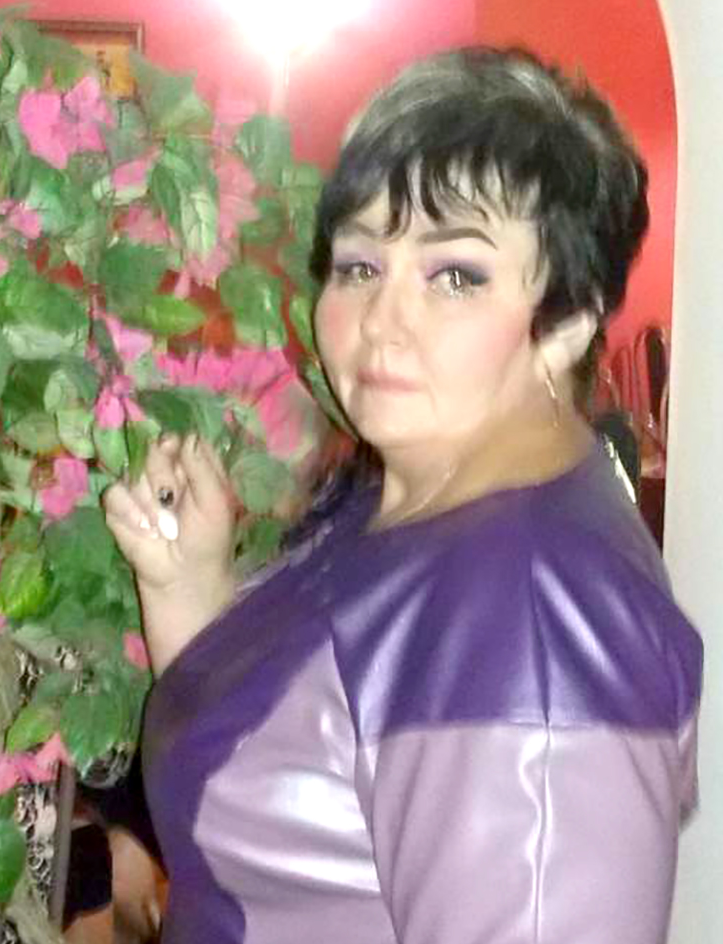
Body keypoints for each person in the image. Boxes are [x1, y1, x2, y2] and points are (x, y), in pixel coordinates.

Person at [104, 47, 702, 944]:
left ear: (567, 324)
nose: (382, 320)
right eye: (358, 266)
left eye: (455, 275)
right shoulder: (403, 491)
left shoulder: (529, 622)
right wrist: (189, 587)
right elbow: (300, 781)